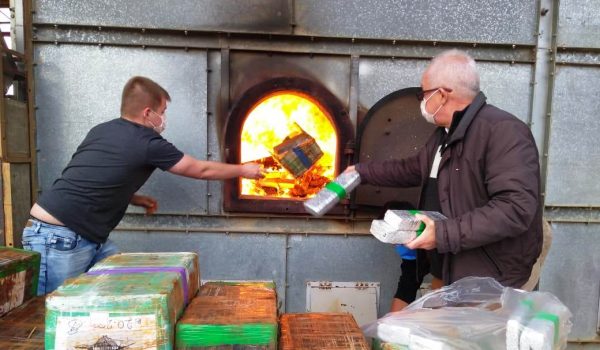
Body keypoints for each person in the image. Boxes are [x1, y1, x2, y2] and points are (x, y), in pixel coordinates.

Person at [22, 76, 264, 295]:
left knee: (120, 288)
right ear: (148, 113)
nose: (164, 118)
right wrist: (244, 170)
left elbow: (99, 176)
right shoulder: (148, 142)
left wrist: (135, 198)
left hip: (83, 236)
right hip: (59, 237)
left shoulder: (102, 130)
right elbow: (200, 169)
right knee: (50, 314)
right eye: (163, 111)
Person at [350, 49, 542, 290]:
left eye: (423, 94)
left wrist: (442, 234)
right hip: (453, 268)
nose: (421, 101)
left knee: (473, 329)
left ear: (441, 95)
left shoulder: (503, 131)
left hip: (492, 280)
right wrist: (360, 172)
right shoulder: (447, 134)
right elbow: (411, 168)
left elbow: (515, 209)